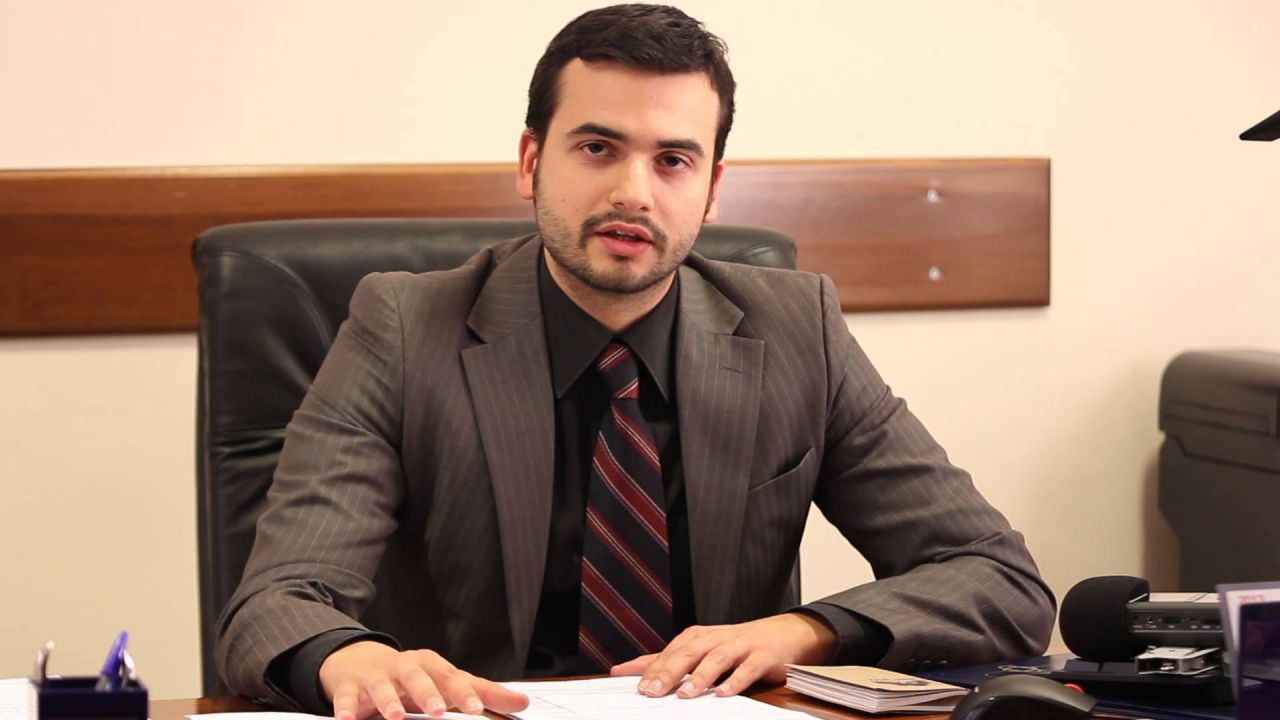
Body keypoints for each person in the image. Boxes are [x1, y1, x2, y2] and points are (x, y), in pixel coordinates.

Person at [215, 5, 1055, 719]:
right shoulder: (404, 328)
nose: (634, 193)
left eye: (673, 161)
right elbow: (274, 603)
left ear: (712, 188)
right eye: (597, 148)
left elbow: (998, 580)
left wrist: (803, 631)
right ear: (531, 162)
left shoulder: (798, 330)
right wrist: (348, 657)